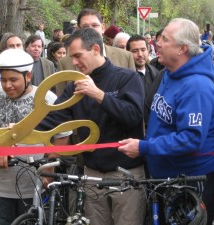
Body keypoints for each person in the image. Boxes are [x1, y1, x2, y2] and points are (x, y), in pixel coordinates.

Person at [38, 28, 146, 225]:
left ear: (96, 49)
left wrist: (98, 95)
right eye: (72, 58)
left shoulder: (128, 78)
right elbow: (55, 118)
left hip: (125, 173)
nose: (75, 63)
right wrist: (19, 129)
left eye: (78, 56)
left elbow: (133, 116)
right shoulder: (74, 86)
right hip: (92, 173)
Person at [118, 18, 214, 225]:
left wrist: (144, 147)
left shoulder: (198, 86)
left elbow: (190, 139)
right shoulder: (168, 73)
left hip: (190, 181)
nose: (157, 44)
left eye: (165, 40)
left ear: (182, 49)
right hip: (165, 177)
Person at [0, 49, 59, 225]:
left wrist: (49, 168)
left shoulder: (47, 99)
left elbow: (62, 136)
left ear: (28, 76)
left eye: (13, 80)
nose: (7, 85)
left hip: (34, 186)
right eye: (3, 80)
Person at [57, 8, 135, 96]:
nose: (91, 30)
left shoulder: (125, 57)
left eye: (95, 25)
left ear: (103, 28)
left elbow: (132, 100)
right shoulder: (64, 63)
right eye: (86, 27)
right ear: (78, 30)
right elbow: (61, 104)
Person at [126, 34, 159, 124]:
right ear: (128, 53)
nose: (140, 54)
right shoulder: (124, 77)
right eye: (135, 51)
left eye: (143, 50)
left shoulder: (157, 74)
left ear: (148, 50)